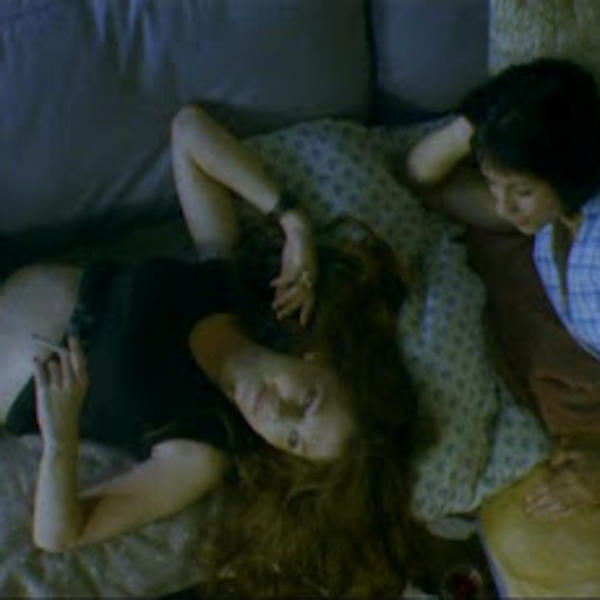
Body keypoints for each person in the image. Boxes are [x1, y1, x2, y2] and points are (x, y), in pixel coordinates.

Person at [0, 105, 438, 596]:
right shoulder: (234, 288)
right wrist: (294, 224)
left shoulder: (198, 454)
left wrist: (60, 437)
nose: (277, 414)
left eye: (292, 439)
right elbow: (189, 131)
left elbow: (59, 536)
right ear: (318, 360)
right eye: (307, 402)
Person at [405, 57, 600, 520]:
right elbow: (422, 180)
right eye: (493, 186)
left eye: (521, 191)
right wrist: (484, 118)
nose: (505, 206)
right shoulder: (550, 215)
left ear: (567, 172)